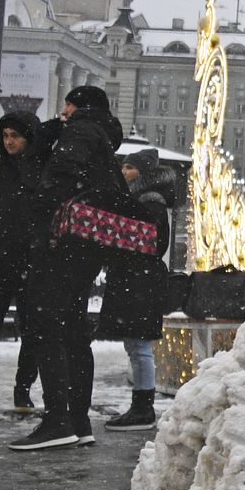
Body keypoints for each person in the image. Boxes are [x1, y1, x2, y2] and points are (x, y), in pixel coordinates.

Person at [10, 87, 128, 452]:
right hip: (87, 246)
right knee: (74, 331)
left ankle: (57, 420)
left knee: (45, 324)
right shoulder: (103, 137)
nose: (63, 111)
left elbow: (59, 175)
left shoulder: (80, 131)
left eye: (67, 105)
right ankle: (78, 421)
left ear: (80, 107)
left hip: (64, 243)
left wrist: (40, 213)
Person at [94, 149, 175, 431]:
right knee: (135, 345)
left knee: (139, 346)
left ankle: (143, 409)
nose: (124, 171)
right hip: (136, 279)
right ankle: (141, 406)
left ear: (143, 173)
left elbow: (151, 243)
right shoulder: (139, 200)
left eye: (129, 167)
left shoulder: (149, 202)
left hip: (140, 281)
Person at [0, 112, 47, 414]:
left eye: (15, 135)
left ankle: (22, 391)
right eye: (5, 136)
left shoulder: (42, 172)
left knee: (33, 332)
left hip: (33, 263)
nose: (9, 141)